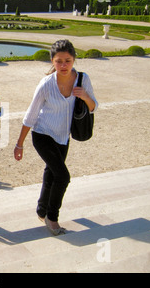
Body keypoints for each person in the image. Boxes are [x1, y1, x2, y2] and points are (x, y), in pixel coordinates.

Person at [14, 39, 98, 236]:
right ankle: (52, 217)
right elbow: (31, 115)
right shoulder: (45, 84)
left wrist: (85, 96)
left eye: (67, 61)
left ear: (74, 59)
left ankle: (42, 209)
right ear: (52, 61)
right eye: (58, 61)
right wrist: (19, 144)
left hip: (63, 137)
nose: (63, 65)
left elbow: (94, 107)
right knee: (63, 176)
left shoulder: (83, 80)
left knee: (51, 172)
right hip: (42, 134)